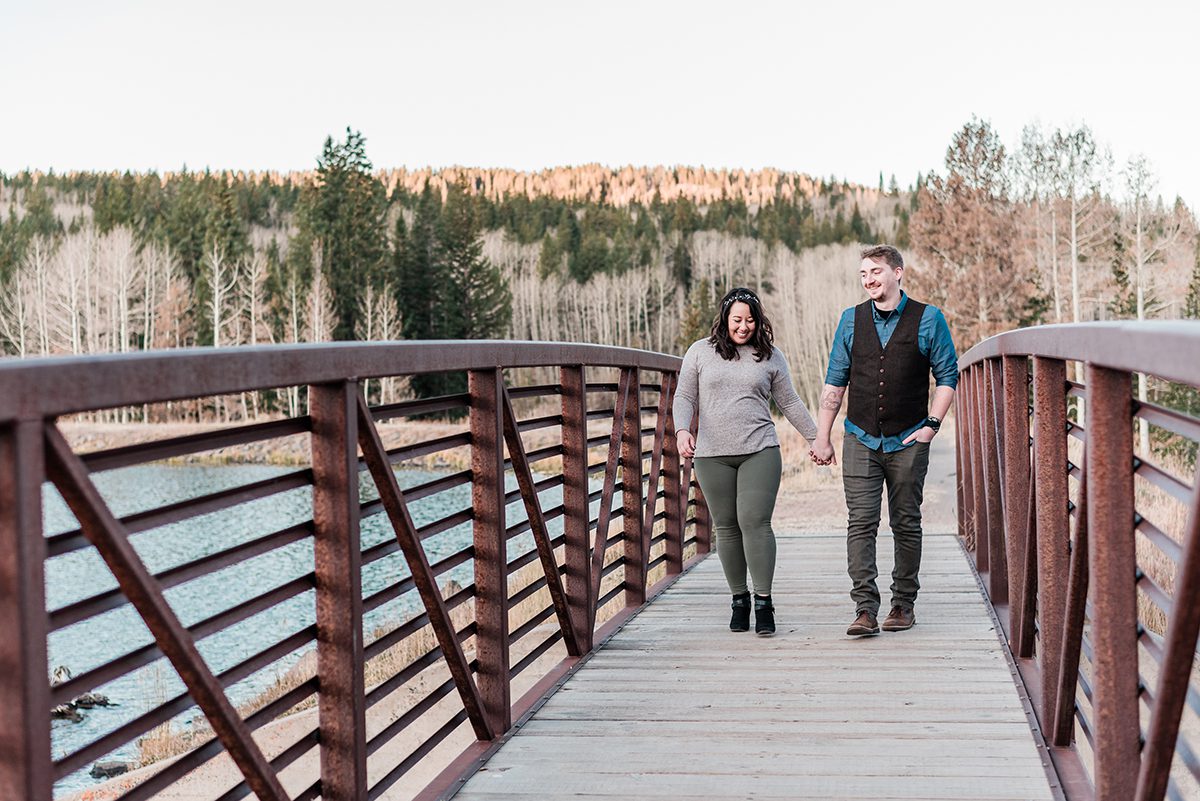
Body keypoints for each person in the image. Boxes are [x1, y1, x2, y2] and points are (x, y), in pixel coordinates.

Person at [809, 245, 958, 637]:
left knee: (906, 522)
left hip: (909, 438)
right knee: (860, 522)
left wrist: (931, 425)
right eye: (863, 274)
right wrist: (822, 436)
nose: (869, 279)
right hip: (859, 437)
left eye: (875, 271)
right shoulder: (850, 320)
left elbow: (947, 378)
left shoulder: (929, 319)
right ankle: (864, 609)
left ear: (898, 273)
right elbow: (834, 382)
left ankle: (903, 604)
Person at [673, 287, 818, 636]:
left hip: (759, 450)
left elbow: (790, 403)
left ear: (759, 321)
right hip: (711, 455)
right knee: (726, 526)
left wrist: (816, 438)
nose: (743, 327)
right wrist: (681, 430)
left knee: (754, 521)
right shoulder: (700, 352)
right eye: (737, 319)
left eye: (750, 320)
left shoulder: (770, 356)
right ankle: (740, 599)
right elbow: (684, 396)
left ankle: (764, 602)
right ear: (724, 319)